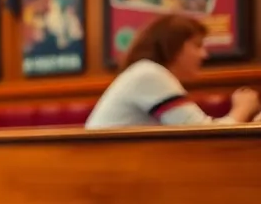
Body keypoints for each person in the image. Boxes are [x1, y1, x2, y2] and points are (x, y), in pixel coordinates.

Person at [86, 14, 259, 129]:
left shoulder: (145, 72)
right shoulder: (149, 74)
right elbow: (202, 135)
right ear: (172, 46)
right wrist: (243, 108)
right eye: (197, 45)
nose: (204, 54)